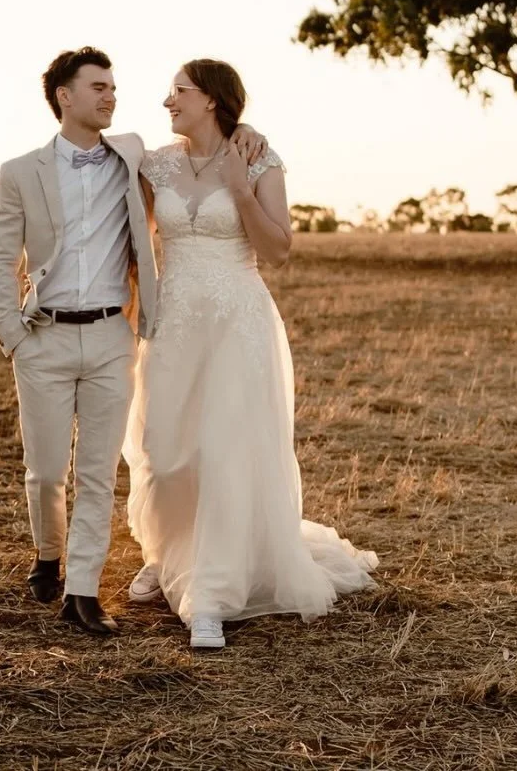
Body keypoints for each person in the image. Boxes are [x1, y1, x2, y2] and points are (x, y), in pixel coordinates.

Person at [0, 47, 264, 637]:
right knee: (44, 472)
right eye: (99, 87)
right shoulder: (19, 171)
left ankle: (82, 593)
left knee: (97, 472)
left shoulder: (132, 154)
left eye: (114, 87)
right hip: (43, 339)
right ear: (65, 96)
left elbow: (210, 142)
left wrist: (246, 128)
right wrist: (13, 334)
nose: (112, 95)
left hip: (114, 335)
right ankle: (47, 555)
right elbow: (0, 257)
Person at [123, 59, 377, 650]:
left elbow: (279, 249)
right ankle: (166, 555)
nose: (167, 102)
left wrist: (239, 189)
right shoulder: (154, 164)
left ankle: (210, 593)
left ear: (211, 99)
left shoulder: (260, 161)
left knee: (225, 450)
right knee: (165, 449)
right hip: (174, 324)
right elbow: (133, 243)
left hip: (238, 319)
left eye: (178, 91)